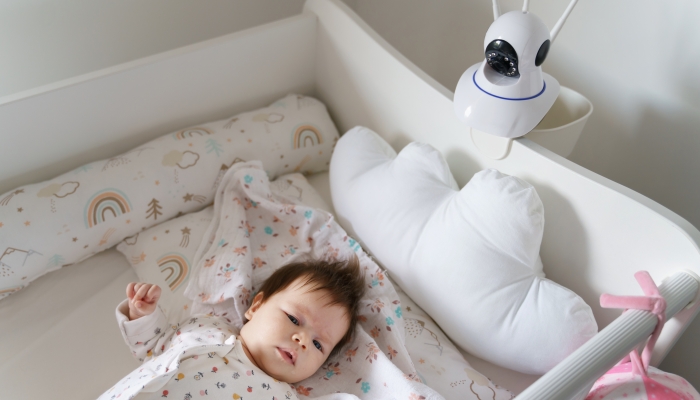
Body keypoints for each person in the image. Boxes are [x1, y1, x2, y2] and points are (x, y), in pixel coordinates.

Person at [99, 257, 365, 400]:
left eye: (319, 345)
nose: (302, 340)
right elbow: (154, 345)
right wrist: (143, 314)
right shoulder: (206, 326)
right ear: (256, 306)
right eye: (294, 319)